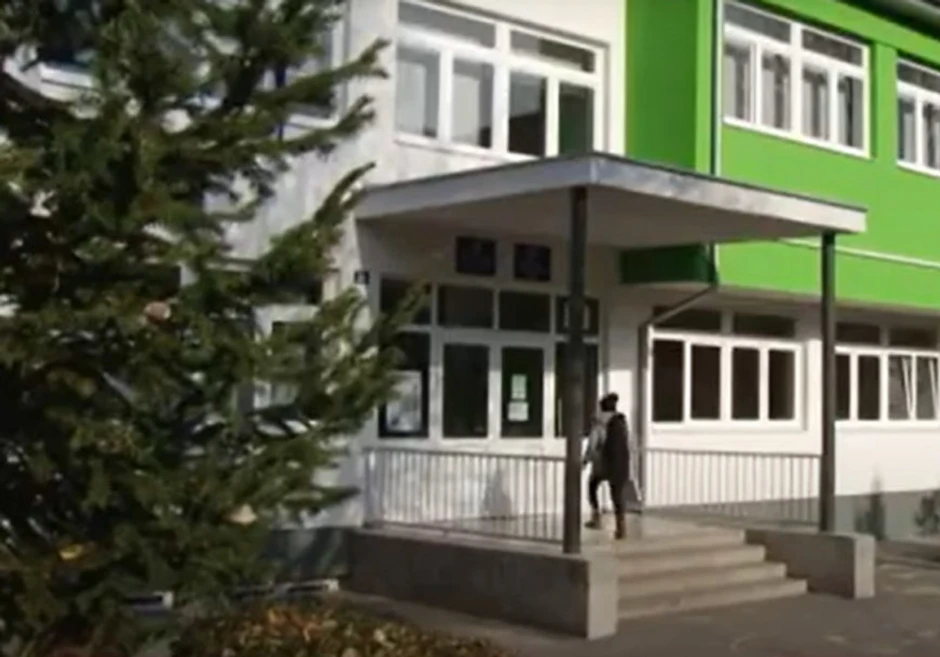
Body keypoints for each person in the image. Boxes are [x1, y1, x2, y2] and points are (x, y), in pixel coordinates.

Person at [582, 392, 632, 540]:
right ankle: (621, 528)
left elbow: (593, 445)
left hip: (603, 463)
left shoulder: (600, 423)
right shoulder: (621, 421)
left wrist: (585, 460)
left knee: (592, 485)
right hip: (620, 463)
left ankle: (596, 517)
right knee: (617, 495)